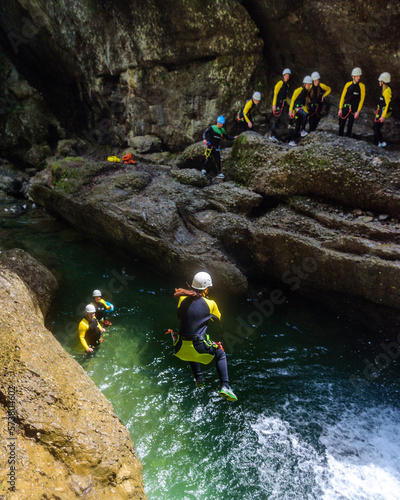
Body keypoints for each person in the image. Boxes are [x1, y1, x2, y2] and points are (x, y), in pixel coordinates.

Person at [173, 271, 238, 401]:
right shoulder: (211, 304)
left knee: (190, 346)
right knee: (220, 354)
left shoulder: (181, 299)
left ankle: (199, 379)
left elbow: (180, 316)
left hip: (179, 347)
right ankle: (225, 386)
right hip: (199, 346)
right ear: (206, 289)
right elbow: (217, 319)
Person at [338, 67, 366, 138]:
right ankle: (339, 136)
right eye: (357, 76)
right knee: (341, 123)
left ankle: (348, 138)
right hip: (345, 107)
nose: (359, 78)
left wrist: (358, 111)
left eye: (359, 76)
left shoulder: (362, 86)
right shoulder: (348, 84)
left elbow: (362, 100)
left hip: (354, 108)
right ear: (353, 76)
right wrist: (340, 108)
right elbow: (342, 97)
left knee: (350, 124)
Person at [288, 76, 312, 146]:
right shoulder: (298, 90)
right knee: (305, 115)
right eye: (307, 84)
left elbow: (304, 99)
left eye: (309, 85)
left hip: (301, 108)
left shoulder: (306, 91)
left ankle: (292, 141)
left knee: (297, 126)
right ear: (304, 84)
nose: (308, 86)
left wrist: (309, 99)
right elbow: (292, 100)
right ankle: (303, 130)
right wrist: (290, 111)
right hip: (296, 109)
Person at [270, 69, 291, 142]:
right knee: (276, 118)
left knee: (284, 118)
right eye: (286, 76)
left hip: (284, 104)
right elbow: (275, 94)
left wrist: (290, 105)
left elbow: (286, 97)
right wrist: (274, 105)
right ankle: (272, 135)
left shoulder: (287, 85)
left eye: (288, 76)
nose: (287, 77)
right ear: (283, 76)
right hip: (278, 103)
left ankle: (283, 136)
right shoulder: (279, 84)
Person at [373, 72, 392, 148]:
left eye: (380, 81)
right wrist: (377, 109)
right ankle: (378, 142)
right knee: (375, 127)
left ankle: (380, 142)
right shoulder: (384, 90)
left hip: (383, 112)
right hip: (380, 110)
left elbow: (387, 104)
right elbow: (381, 102)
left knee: (375, 127)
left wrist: (383, 116)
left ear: (383, 82)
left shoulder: (387, 92)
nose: (379, 82)